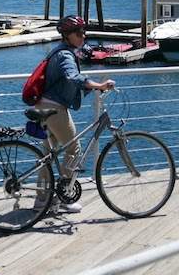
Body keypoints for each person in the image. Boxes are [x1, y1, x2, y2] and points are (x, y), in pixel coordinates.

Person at [35, 14, 115, 213]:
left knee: (47, 156)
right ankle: (64, 194)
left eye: (83, 32)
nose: (83, 36)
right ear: (67, 35)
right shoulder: (64, 55)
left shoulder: (62, 51)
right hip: (53, 108)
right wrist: (99, 85)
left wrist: (91, 86)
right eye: (78, 33)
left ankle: (42, 201)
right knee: (74, 149)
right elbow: (73, 77)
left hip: (47, 106)